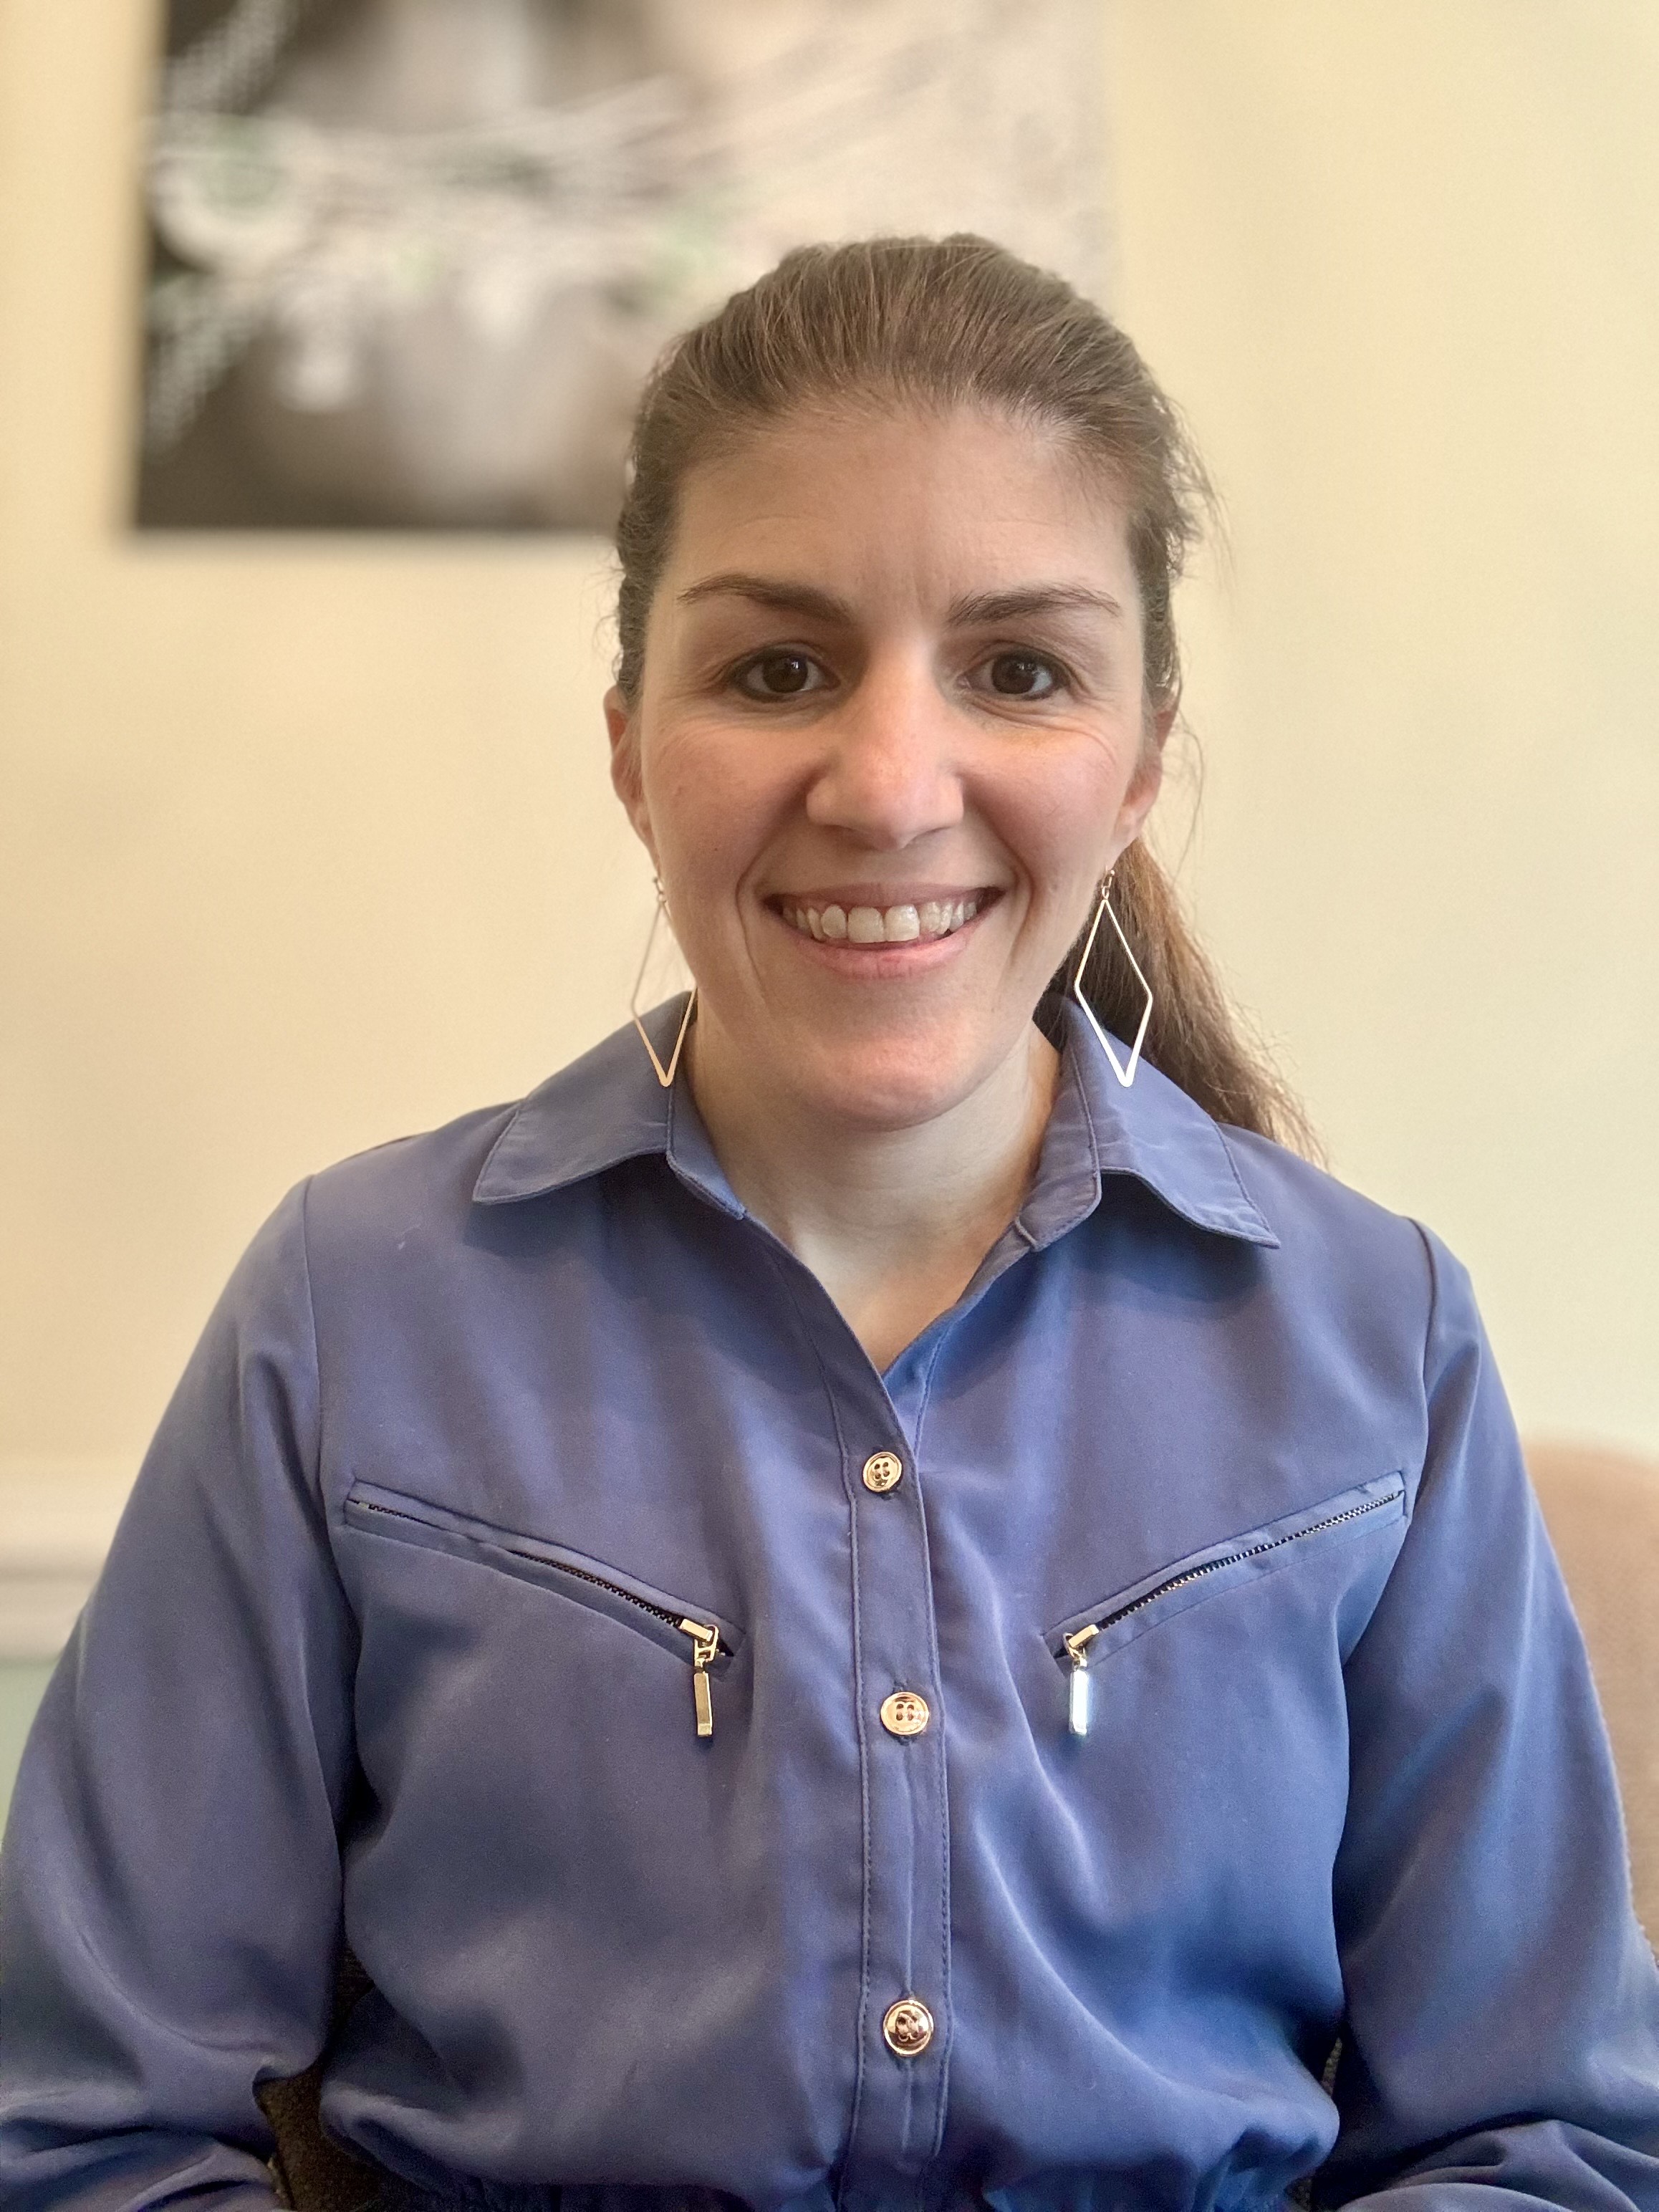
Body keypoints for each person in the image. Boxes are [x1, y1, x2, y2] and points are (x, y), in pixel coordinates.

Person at [2, 235, 1656, 2212]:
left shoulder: (1378, 1336)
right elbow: (81, 2127)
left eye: (1019, 671)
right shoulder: (348, 1314)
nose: (886, 784)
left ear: (1136, 763)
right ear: (630, 744)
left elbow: (1544, 2140)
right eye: (777, 667)